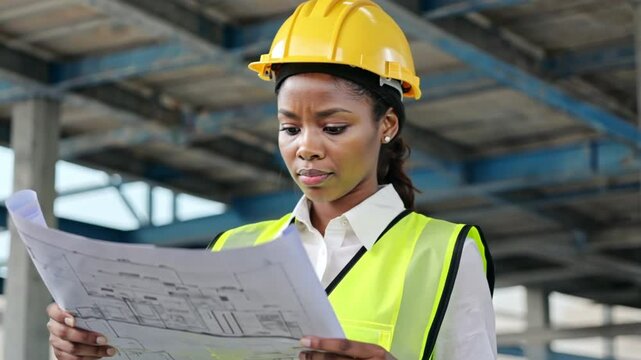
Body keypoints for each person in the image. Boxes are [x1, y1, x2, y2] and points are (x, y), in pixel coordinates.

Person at [46, 0, 496, 359]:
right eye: (290, 128)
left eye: (333, 128)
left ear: (387, 125)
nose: (306, 147)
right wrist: (95, 353)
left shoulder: (445, 253)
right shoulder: (232, 249)